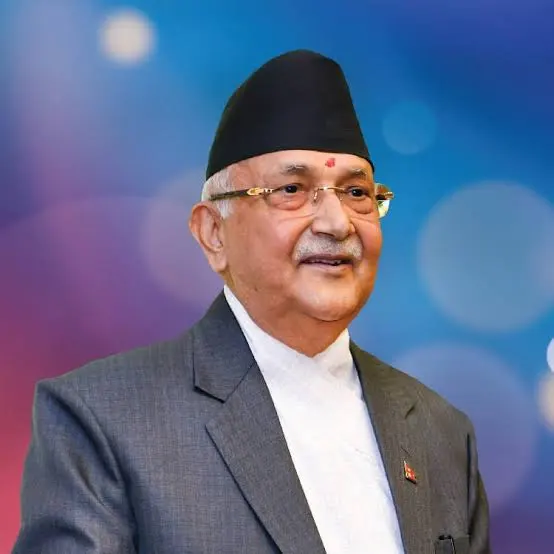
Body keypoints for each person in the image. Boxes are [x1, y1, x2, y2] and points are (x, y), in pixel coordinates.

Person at [13, 49, 491, 554]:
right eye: (292, 189)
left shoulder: (440, 431)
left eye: (356, 193)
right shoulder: (103, 421)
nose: (337, 223)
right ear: (213, 233)